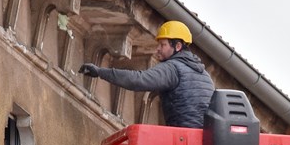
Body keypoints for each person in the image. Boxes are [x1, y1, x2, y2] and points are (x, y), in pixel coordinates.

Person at [79, 20, 215, 128]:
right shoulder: (206, 76)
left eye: (163, 45)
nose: (157, 49)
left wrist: (100, 72)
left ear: (177, 46)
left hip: (183, 140)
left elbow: (138, 80)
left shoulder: (172, 69)